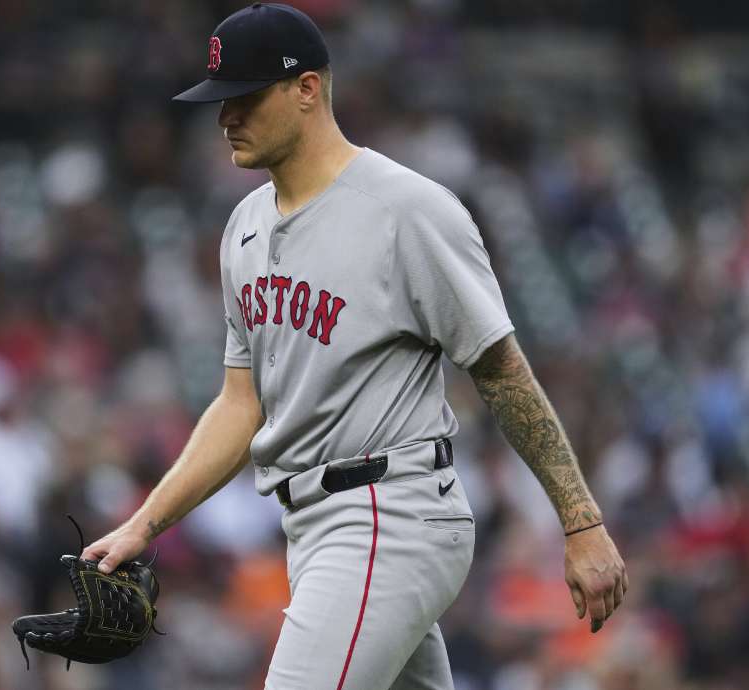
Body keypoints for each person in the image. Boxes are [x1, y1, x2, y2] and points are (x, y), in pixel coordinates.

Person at [81, 4, 627, 688]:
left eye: (245, 98)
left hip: (387, 512)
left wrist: (581, 525)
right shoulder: (244, 227)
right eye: (220, 102)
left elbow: (501, 370)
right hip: (311, 527)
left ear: (307, 89)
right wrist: (145, 524)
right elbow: (239, 405)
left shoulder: (406, 210)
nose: (226, 118)